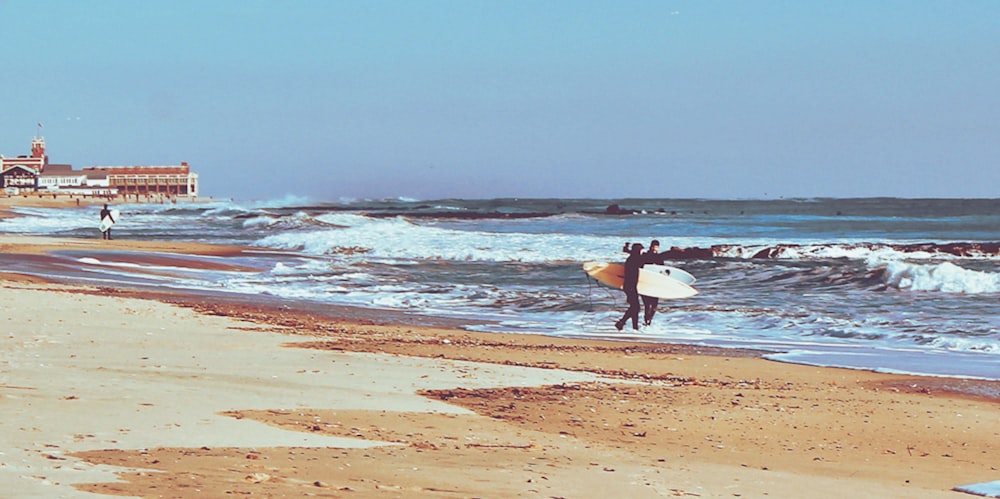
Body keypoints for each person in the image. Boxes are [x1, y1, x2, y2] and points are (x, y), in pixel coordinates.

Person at [615, 242, 652, 331]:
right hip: (630, 286)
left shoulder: (632, 258)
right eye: (641, 250)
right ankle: (622, 323)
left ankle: (632, 327)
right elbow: (643, 262)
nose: (642, 252)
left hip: (630, 286)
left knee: (635, 307)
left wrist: (627, 249)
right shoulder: (635, 259)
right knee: (636, 307)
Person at [641, 239, 667, 326]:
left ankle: (649, 320)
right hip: (645, 282)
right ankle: (646, 321)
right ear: (651, 246)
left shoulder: (659, 257)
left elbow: (662, 270)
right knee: (647, 304)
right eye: (653, 246)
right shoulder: (645, 256)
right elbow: (640, 267)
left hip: (655, 283)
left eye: (656, 247)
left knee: (654, 305)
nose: (654, 248)